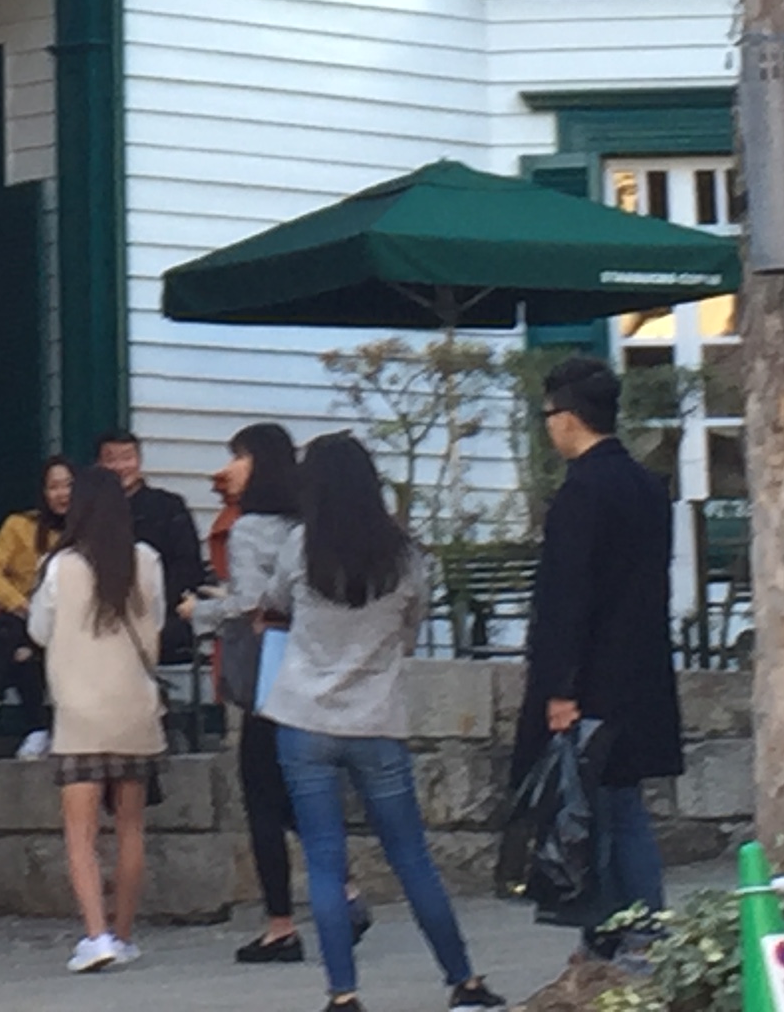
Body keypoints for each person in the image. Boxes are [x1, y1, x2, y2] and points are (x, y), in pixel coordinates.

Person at [256, 432, 502, 1012]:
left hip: (304, 717)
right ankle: (463, 981)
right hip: (376, 718)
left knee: (324, 860)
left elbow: (274, 603)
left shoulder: (301, 545)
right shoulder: (405, 555)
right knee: (411, 856)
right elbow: (410, 628)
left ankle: (343, 994)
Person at [518, 354, 682, 961]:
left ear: (568, 416)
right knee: (624, 804)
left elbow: (567, 597)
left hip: (590, 679)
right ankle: (643, 926)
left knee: (593, 812)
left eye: (548, 415)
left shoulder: (581, 492)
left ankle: (616, 930)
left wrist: (560, 688)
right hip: (640, 670)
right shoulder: (647, 487)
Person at [185, 421, 356, 964]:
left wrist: (198, 611)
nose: (228, 468)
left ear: (257, 462)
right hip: (318, 669)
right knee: (302, 789)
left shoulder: (250, 528)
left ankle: (281, 924)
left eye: (237, 456)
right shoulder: (313, 523)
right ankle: (344, 889)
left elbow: (252, 603)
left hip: (268, 673)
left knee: (262, 795)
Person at [27, 463, 166, 974]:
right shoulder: (146, 560)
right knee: (130, 829)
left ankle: (95, 934)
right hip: (134, 709)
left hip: (79, 712)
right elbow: (158, 622)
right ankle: (124, 934)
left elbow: (39, 631)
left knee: (81, 836)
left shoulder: (59, 566)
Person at [0, 456, 73, 752]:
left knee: (19, 646)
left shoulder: (86, 531)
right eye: (54, 487)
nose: (62, 494)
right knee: (16, 639)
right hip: (19, 619)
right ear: (43, 492)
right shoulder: (20, 525)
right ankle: (32, 727)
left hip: (65, 625)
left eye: (69, 486)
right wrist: (19, 603)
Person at [95, 429, 206, 662]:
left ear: (139, 460)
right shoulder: (90, 511)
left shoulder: (168, 506)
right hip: (102, 616)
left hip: (160, 613)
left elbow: (188, 565)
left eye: (127, 458)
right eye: (110, 459)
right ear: (99, 465)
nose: (120, 467)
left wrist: (153, 603)